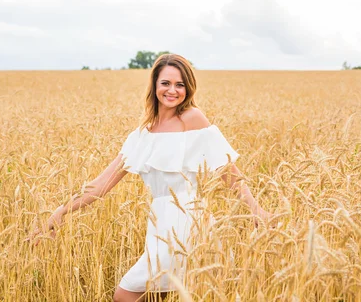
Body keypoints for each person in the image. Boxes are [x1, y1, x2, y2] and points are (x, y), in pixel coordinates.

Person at [29, 54, 273, 302]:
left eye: (180, 84)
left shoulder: (193, 119)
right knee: (157, 294)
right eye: (166, 83)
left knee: (125, 296)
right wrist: (61, 211)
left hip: (188, 222)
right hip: (159, 225)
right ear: (154, 85)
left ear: (188, 88)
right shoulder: (142, 135)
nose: (173, 90)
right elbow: (101, 185)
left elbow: (228, 171)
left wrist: (256, 209)